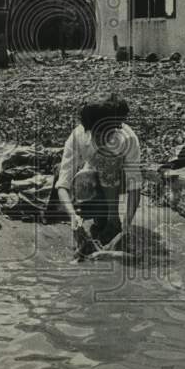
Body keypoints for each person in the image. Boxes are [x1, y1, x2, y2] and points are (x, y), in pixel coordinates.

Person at [55, 92, 143, 257]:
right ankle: (100, 217)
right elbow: (62, 184)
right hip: (92, 178)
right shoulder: (78, 136)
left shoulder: (128, 139)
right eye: (98, 133)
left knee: (107, 161)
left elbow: (135, 185)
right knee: (83, 185)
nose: (103, 138)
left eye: (108, 132)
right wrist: (73, 217)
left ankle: (113, 218)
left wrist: (127, 225)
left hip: (120, 179)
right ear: (89, 129)